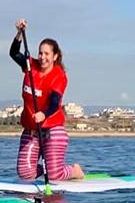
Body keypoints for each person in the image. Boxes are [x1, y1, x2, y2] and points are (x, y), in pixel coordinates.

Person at [9, 19, 84, 181]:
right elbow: (14, 53)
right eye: (40, 53)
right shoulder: (30, 66)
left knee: (55, 176)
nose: (42, 57)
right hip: (31, 129)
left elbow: (55, 103)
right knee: (25, 174)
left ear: (55, 56)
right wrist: (20, 33)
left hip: (52, 129)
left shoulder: (59, 76)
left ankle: (74, 171)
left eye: (47, 54)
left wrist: (43, 114)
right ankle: (48, 168)